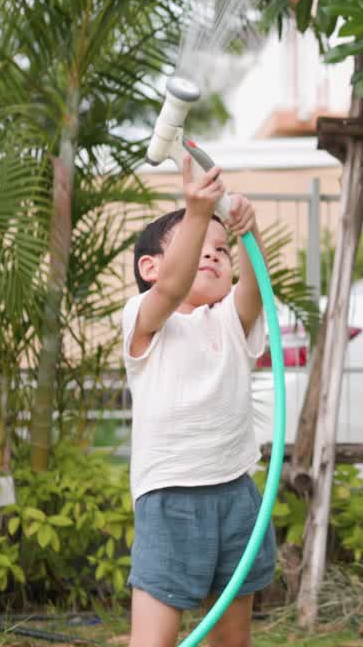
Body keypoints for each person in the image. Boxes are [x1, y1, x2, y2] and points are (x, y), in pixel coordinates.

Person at [122, 155, 275, 647]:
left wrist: (245, 234)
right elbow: (171, 288)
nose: (213, 256)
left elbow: (254, 289)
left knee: (231, 640)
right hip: (169, 498)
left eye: (222, 251)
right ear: (149, 266)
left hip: (235, 495)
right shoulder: (146, 323)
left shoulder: (231, 322)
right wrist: (196, 213)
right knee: (156, 641)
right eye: (198, 248)